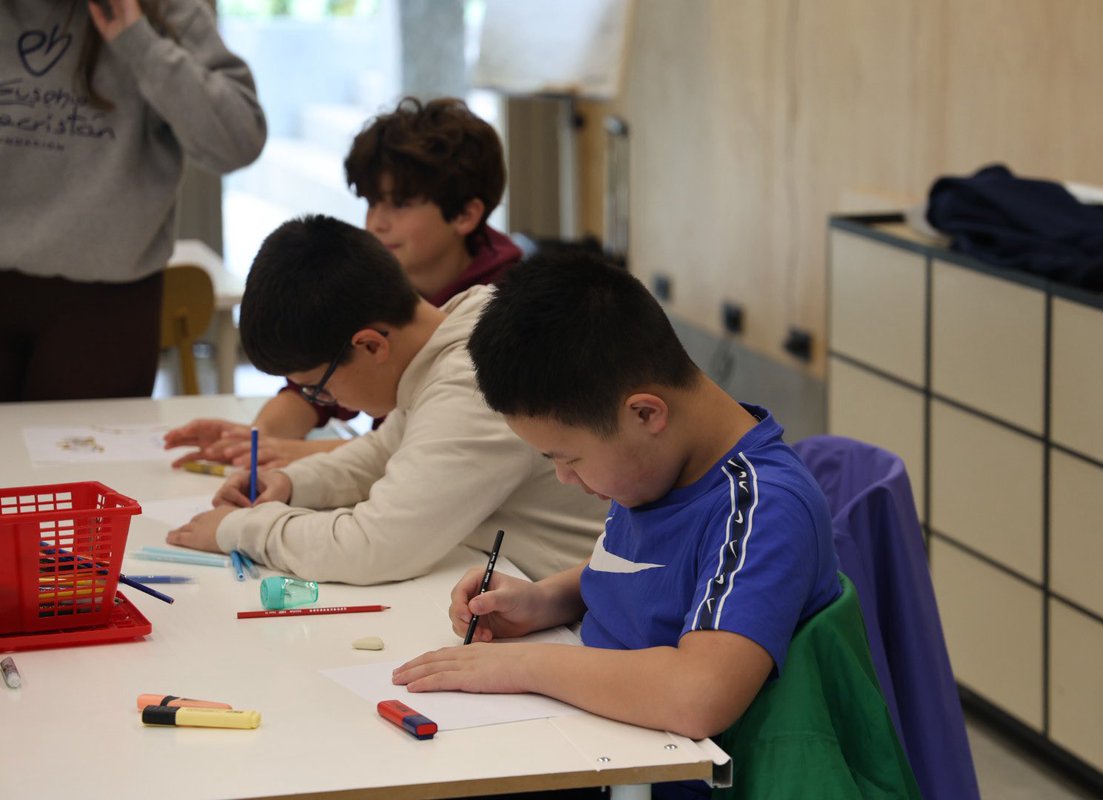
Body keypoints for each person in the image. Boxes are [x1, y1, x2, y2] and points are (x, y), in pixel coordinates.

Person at [389, 251, 843, 797]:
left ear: (646, 414)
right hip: (599, 748)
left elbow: (698, 694)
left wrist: (521, 665)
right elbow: (651, 572)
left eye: (569, 458)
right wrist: (548, 599)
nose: (565, 478)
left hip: (663, 779)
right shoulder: (656, 464)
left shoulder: (761, 506)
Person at [165, 215, 606, 584]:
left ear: (371, 345)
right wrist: (292, 483)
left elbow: (373, 548)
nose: (323, 399)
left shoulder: (472, 381)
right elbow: (385, 450)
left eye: (318, 387)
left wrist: (241, 529)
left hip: (576, 613)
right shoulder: (458, 324)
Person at [164, 96, 519, 468]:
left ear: (465, 214)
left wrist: (300, 454)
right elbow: (314, 382)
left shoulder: (505, 314)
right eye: (371, 202)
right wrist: (255, 440)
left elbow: (440, 445)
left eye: (399, 204)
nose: (377, 222)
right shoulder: (376, 273)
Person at [0, 0, 265, 402]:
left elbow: (239, 139)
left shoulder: (165, 9)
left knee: (85, 446)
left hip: (106, 304)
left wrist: (139, 42)